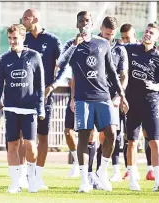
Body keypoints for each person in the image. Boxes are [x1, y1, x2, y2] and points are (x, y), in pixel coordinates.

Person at [48, 11, 126, 193]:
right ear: (77, 24)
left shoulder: (103, 43)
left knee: (112, 133)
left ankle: (102, 173)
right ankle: (84, 179)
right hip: (83, 99)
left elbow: (113, 72)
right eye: (81, 21)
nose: (84, 23)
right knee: (84, 136)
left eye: (87, 20)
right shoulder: (71, 44)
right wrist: (75, 45)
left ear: (92, 24)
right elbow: (60, 63)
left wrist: (121, 94)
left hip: (104, 97)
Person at [0, 24, 45, 193]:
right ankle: (15, 183)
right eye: (10, 38)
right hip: (11, 108)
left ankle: (32, 178)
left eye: (15, 38)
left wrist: (41, 107)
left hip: (29, 109)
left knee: (30, 145)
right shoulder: (4, 58)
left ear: (23, 38)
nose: (12, 41)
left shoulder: (35, 56)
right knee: (12, 145)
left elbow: (40, 85)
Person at [123, 23, 159, 192]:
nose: (148, 34)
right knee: (132, 142)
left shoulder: (158, 57)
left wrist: (153, 86)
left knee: (154, 141)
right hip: (132, 104)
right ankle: (133, 180)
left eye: (152, 33)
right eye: (147, 31)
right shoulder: (131, 49)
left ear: (157, 38)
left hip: (151, 104)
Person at [22, 8, 62, 190]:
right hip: (24, 95)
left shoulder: (52, 41)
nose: (23, 20)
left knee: (42, 137)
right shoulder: (23, 38)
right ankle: (22, 175)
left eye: (26, 18)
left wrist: (52, 86)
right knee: (23, 136)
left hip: (45, 97)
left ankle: (38, 176)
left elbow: (63, 67)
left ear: (35, 19)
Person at [119, 23, 155, 181]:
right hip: (125, 99)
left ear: (135, 36)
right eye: (124, 38)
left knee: (148, 134)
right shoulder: (122, 51)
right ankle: (128, 169)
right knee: (127, 136)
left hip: (145, 100)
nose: (126, 40)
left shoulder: (144, 51)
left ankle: (150, 169)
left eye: (129, 37)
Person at [94, 16, 128, 183]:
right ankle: (88, 175)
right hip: (91, 96)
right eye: (107, 34)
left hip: (110, 99)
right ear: (101, 29)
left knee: (111, 135)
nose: (109, 38)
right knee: (91, 136)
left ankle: (101, 172)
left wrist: (118, 96)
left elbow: (124, 75)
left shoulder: (120, 50)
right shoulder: (91, 44)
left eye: (112, 35)